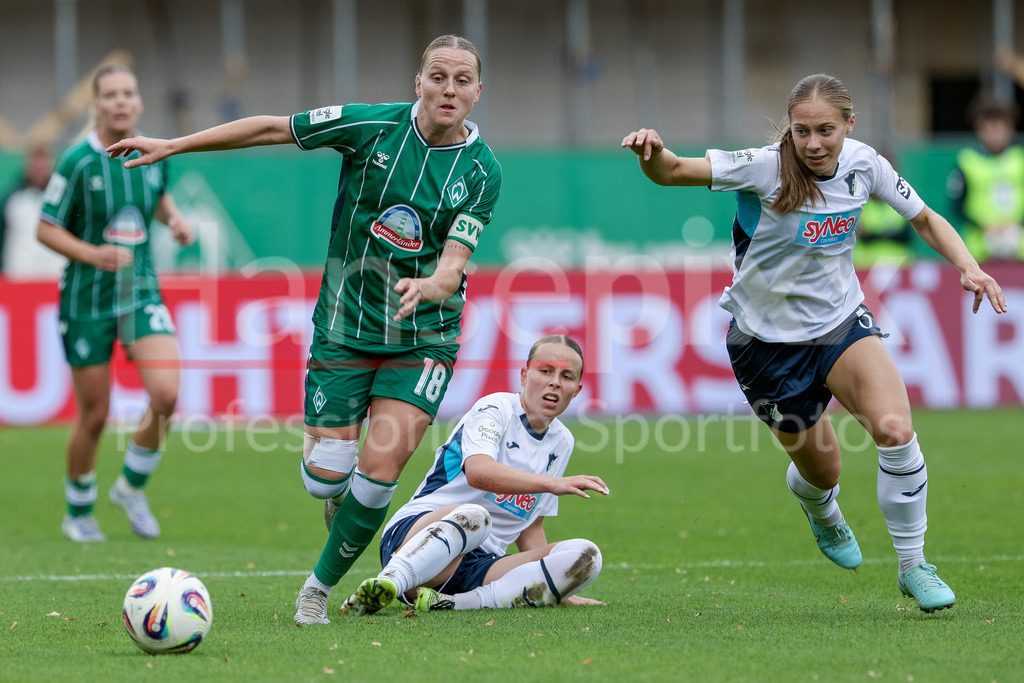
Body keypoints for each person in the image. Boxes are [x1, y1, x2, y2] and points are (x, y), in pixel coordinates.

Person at [106, 35, 502, 625]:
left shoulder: (481, 170)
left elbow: (454, 262)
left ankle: (316, 589)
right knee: (327, 479)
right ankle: (339, 498)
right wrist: (175, 145)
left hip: (422, 337)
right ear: (417, 83)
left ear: (477, 91)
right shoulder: (370, 127)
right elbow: (272, 128)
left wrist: (433, 287)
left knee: (379, 474)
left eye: (462, 80)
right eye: (438, 77)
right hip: (343, 328)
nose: (449, 89)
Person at [622, 73, 1007, 613]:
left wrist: (968, 267)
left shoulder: (865, 164)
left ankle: (913, 565)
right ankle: (819, 506)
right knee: (824, 471)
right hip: (765, 345)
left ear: (849, 125)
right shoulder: (764, 167)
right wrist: (651, 153)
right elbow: (673, 172)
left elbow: (922, 218)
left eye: (826, 130)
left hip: (839, 324)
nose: (814, 144)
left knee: (895, 429)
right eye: (802, 132)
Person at [337, 335, 607, 616]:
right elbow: (479, 472)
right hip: (418, 538)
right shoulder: (495, 408)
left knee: (586, 556)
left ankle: (455, 602)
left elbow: (530, 525)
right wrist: (553, 484)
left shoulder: (562, 441)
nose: (555, 382)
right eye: (545, 371)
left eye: (566, 376)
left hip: (481, 566)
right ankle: (390, 582)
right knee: (476, 517)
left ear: (576, 390)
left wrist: (558, 585)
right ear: (524, 376)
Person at [37, 65, 194, 542]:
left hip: (140, 291)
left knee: (166, 394)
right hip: (87, 299)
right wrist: (93, 254)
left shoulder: (154, 152)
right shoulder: (77, 162)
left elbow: (158, 193)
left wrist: (174, 219)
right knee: (95, 413)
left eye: (130, 92)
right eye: (111, 95)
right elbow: (45, 227)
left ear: (139, 101)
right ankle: (78, 510)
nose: (122, 101)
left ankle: (130, 487)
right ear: (97, 105)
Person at [946, 94, 1024, 262]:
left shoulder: (1020, 158)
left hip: (1019, 250)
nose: (995, 133)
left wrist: (1016, 225)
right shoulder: (967, 160)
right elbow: (956, 207)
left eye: (1000, 127)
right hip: (980, 252)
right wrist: (983, 226)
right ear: (979, 128)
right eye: (989, 127)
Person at [0, 145, 66, 278]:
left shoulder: (62, 198)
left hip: (53, 274)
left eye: (42, 168)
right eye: (36, 167)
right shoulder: (12, 199)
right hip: (18, 274)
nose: (39, 172)